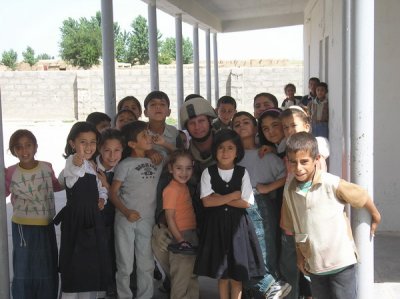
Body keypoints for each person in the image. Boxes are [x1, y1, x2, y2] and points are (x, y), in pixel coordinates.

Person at [281, 132, 381, 299]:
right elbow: (294, 228)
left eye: (304, 161)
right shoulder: (289, 190)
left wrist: (375, 215)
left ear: (316, 159)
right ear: (287, 162)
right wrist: (299, 257)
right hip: (314, 265)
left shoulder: (331, 183)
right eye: (293, 162)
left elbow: (361, 195)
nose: (298, 168)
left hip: (341, 262)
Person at [151, 96, 217, 297]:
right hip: (187, 221)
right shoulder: (186, 154)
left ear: (209, 120)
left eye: (201, 121)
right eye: (192, 123)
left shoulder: (225, 142)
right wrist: (163, 221)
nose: (197, 127)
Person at [194, 129, 265, 299]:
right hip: (215, 226)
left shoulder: (242, 172)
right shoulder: (208, 172)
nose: (225, 152)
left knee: (237, 271)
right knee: (223, 272)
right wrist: (233, 195)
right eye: (221, 148)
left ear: (237, 151)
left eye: (230, 148)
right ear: (215, 151)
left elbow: (246, 202)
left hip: (238, 227)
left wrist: (220, 198)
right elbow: (206, 201)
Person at [110, 121, 172, 299]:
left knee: (146, 263)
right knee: (125, 264)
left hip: (147, 220)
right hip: (125, 220)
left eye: (148, 133)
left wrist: (162, 145)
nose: (149, 137)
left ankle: (145, 295)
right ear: (131, 144)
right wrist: (126, 211)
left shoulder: (157, 159)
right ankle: (124, 295)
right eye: (144, 135)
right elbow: (113, 193)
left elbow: (178, 157)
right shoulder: (125, 165)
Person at [232, 112, 291, 299]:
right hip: (237, 206)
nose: (241, 126)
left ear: (255, 127)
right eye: (237, 124)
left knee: (264, 248)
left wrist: (267, 188)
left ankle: (271, 285)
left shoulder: (266, 154)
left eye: (246, 122)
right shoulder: (230, 155)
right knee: (245, 252)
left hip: (262, 206)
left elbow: (287, 175)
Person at [55, 122, 111, 299]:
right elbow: (74, 170)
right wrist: (78, 160)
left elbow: (101, 187)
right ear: (72, 144)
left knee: (92, 263)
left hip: (94, 219)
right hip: (77, 221)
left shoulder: (93, 166)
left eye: (92, 142)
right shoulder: (73, 161)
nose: (88, 147)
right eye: (83, 142)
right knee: (75, 263)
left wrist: (102, 198)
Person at [5, 129, 61, 299]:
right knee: (24, 265)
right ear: (13, 150)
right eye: (19, 147)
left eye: (28, 145)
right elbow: (4, 192)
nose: (24, 151)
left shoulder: (47, 167)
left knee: (47, 263)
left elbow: (57, 186)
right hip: (23, 226)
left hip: (46, 223)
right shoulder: (10, 172)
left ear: (36, 147)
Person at [163, 149, 199, 299]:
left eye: (188, 168)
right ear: (170, 169)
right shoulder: (171, 189)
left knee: (191, 276)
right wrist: (180, 240)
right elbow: (170, 218)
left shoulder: (182, 186)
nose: (184, 173)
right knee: (181, 280)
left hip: (190, 234)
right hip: (182, 236)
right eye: (179, 168)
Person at [95, 128, 124, 298]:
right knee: (101, 251)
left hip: (118, 217)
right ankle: (104, 284)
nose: (112, 156)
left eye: (117, 150)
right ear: (99, 149)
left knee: (116, 252)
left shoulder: (124, 168)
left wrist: (107, 185)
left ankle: (113, 284)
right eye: (107, 150)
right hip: (97, 219)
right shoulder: (90, 166)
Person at [143, 90, 182, 156]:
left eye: (162, 104)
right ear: (145, 113)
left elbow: (182, 155)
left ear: (169, 112)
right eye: (153, 104)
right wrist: (148, 151)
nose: (158, 107)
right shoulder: (140, 131)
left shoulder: (174, 132)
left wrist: (165, 144)